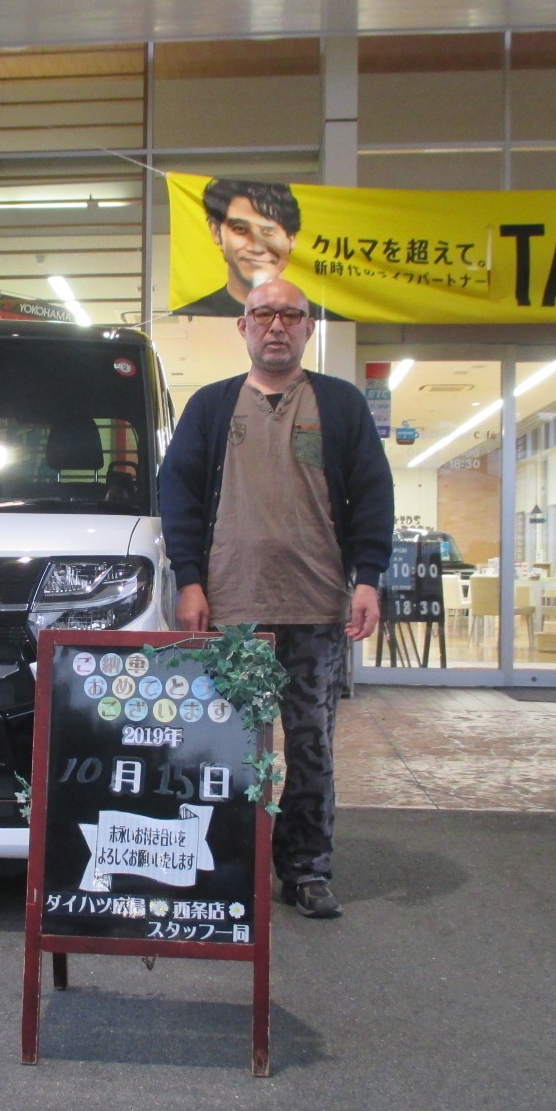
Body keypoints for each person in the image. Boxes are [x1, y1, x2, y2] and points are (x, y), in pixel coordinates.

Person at [159, 277, 392, 918]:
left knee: (311, 747)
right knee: (221, 747)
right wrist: (189, 580)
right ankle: (221, 866)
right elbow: (178, 495)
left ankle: (306, 869)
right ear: (243, 327)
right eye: (263, 314)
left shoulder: (339, 405)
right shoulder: (211, 407)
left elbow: (373, 493)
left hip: (316, 609)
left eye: (291, 315)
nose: (277, 326)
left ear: (309, 327)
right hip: (232, 612)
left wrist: (367, 578)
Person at [172, 178, 343, 320]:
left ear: (291, 238)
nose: (256, 247)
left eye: (268, 231)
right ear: (216, 231)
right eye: (240, 229)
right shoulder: (201, 309)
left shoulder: (318, 314)